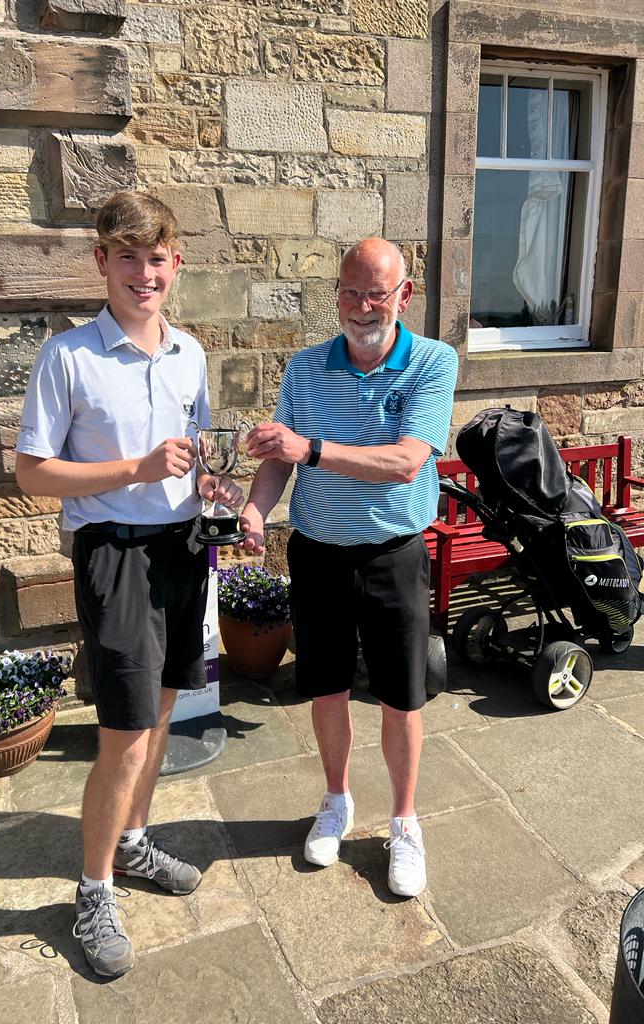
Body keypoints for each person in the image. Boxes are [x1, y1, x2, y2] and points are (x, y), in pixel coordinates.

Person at [14, 191, 242, 978]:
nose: (144, 273)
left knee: (168, 707)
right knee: (125, 730)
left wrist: (216, 494)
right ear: (102, 262)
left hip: (183, 548)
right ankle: (93, 888)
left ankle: (136, 842)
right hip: (115, 554)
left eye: (158, 258)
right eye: (128, 256)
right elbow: (32, 472)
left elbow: (199, 449)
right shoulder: (68, 357)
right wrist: (137, 471)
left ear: (175, 265)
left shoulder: (190, 355)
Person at [239, 238, 457, 897]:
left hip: (393, 555)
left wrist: (308, 448)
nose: (362, 307)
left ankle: (404, 822)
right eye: (350, 292)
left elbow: (405, 462)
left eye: (377, 293)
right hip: (318, 554)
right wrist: (255, 508)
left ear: (404, 296)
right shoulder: (306, 369)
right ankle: (335, 801)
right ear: (336, 293)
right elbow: (280, 456)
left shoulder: (432, 361)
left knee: (401, 697)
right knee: (327, 688)